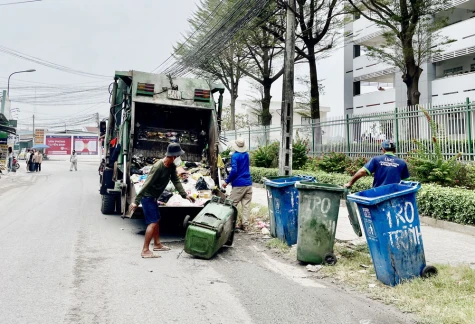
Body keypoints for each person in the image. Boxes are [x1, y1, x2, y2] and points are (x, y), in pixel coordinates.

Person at [129, 143, 195, 258]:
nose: (179, 158)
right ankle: (145, 250)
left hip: (154, 197)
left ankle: (157, 244)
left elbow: (176, 181)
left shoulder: (171, 166)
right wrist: (136, 201)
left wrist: (185, 195)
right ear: (174, 156)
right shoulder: (158, 167)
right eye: (179, 155)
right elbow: (146, 184)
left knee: (157, 220)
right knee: (153, 222)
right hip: (147, 197)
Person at [344, 140, 410, 189]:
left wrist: (350, 183)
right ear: (395, 150)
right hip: (394, 195)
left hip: (377, 195)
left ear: (383, 150)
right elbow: (405, 182)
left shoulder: (376, 159)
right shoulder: (402, 163)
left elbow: (362, 171)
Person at [222, 138, 253, 231]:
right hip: (248, 183)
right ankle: (245, 225)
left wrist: (226, 182)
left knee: (231, 204)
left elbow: (234, 171)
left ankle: (230, 225)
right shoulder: (246, 154)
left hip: (239, 184)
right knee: (246, 205)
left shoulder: (235, 156)